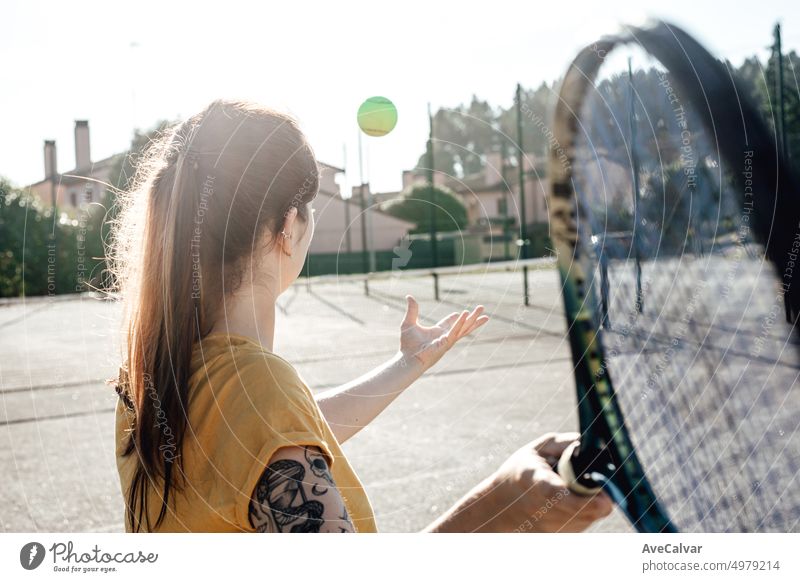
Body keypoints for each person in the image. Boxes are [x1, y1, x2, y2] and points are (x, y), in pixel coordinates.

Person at [111, 99, 612, 533]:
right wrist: (502, 506)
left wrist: (406, 364)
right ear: (288, 227)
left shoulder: (151, 375)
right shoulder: (257, 388)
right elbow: (269, 426)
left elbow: (265, 435)